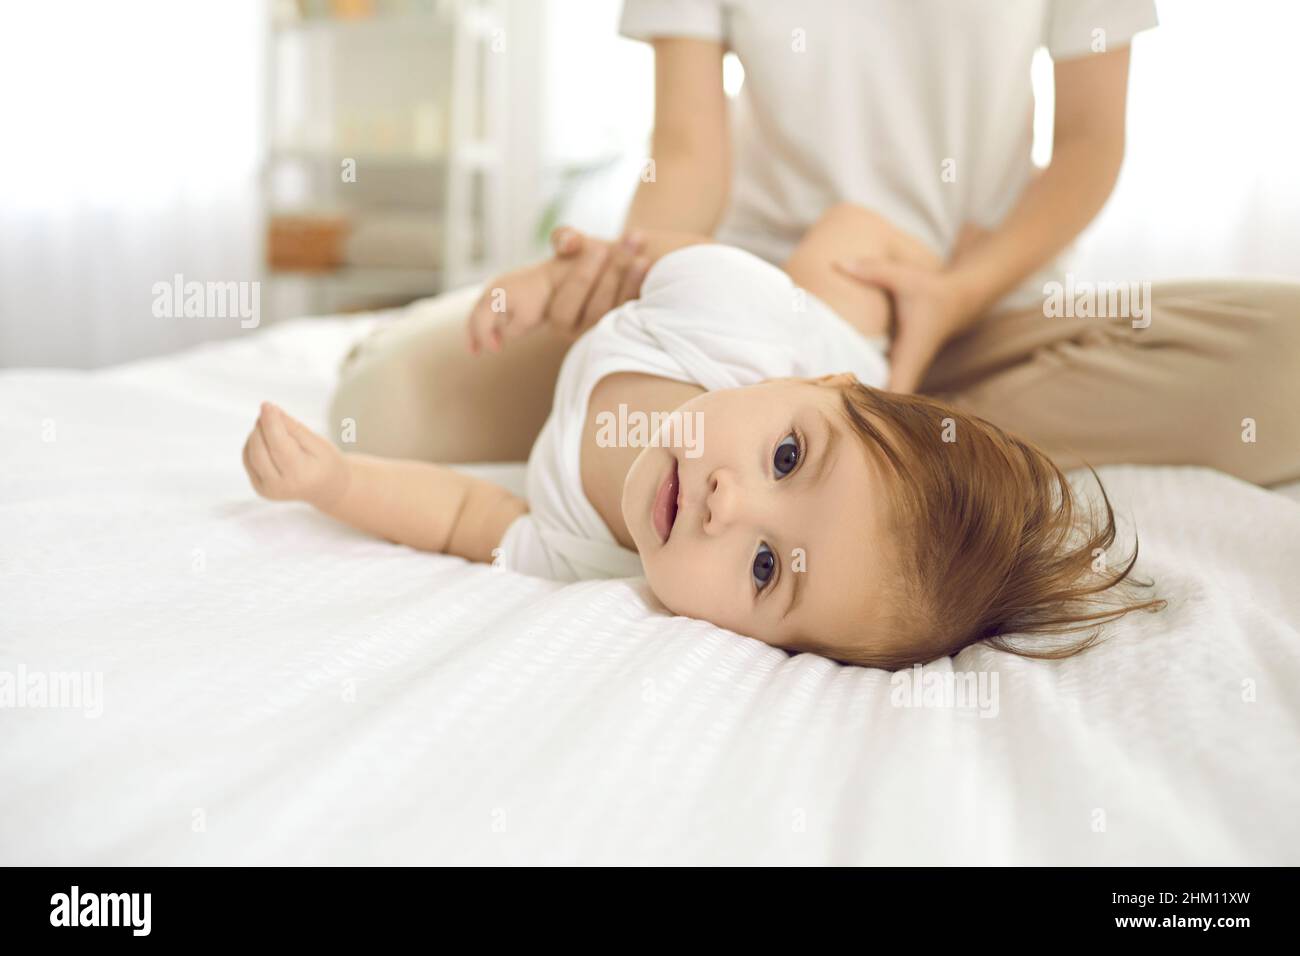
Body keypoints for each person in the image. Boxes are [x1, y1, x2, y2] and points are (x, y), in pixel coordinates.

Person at [327, 0, 1300, 488]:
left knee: (1286, 365)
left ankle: (875, 422)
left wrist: (956, 293)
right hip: (743, 311)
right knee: (382, 409)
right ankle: (876, 435)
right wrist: (638, 263)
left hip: (974, 309)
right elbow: (686, 151)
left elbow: (1090, 143)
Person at [244, 207, 1170, 668]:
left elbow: (462, 517)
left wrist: (336, 484)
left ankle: (907, 370)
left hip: (850, 387)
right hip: (831, 324)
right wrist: (540, 287)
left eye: (768, 570)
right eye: (787, 458)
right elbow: (619, 273)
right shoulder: (725, 304)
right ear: (813, 387)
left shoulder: (597, 557)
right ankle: (927, 277)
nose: (732, 505)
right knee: (846, 245)